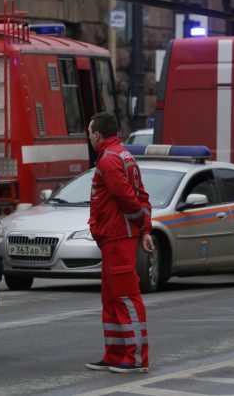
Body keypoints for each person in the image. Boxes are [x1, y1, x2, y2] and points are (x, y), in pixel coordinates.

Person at [84, 112, 154, 374]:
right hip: (114, 238)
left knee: (125, 299)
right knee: (112, 299)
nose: (88, 137)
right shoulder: (122, 155)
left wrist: (139, 225)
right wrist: (144, 228)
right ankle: (114, 354)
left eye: (89, 133)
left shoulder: (108, 159)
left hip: (117, 237)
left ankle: (135, 358)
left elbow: (126, 197)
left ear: (97, 135)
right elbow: (142, 195)